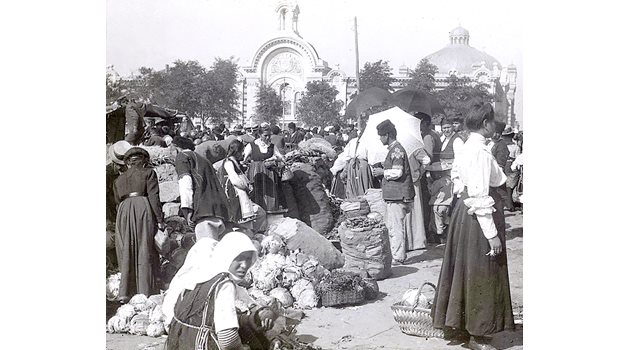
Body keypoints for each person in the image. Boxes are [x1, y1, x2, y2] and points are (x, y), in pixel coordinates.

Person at [432, 103, 514, 350]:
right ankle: (479, 335)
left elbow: (457, 179)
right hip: (477, 218)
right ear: (486, 122)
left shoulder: (467, 147)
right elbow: (479, 192)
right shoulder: (479, 150)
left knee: (464, 270)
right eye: (492, 122)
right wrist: (491, 234)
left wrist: (466, 200)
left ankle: (461, 328)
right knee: (482, 272)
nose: (494, 126)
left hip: (464, 213)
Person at [166, 232, 276, 350]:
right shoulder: (224, 285)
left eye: (248, 259)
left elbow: (208, 316)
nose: (244, 265)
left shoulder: (198, 276)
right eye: (238, 258)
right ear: (226, 257)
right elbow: (227, 339)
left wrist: (249, 320)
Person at [113, 147, 164, 303]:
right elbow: (154, 197)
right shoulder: (148, 173)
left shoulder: (118, 180)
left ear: (128, 162)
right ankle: (144, 290)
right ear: (144, 160)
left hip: (123, 211)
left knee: (126, 248)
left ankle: (125, 292)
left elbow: (116, 201)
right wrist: (160, 219)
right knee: (144, 246)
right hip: (142, 206)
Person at [173, 136, 230, 241]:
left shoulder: (182, 157)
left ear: (176, 146)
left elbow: (186, 183)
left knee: (206, 248)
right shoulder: (204, 159)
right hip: (218, 209)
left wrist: (187, 209)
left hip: (202, 211)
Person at [377, 119, 415, 265]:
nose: (380, 139)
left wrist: (383, 171)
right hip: (396, 195)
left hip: (398, 196)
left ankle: (398, 256)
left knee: (396, 227)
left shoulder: (397, 150)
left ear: (387, 135)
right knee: (394, 226)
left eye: (381, 136)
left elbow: (398, 172)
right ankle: (397, 254)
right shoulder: (395, 150)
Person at [244, 123, 287, 214]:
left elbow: (280, 157)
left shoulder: (272, 146)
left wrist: (275, 158)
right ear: (259, 135)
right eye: (265, 136)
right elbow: (243, 159)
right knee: (257, 191)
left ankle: (270, 212)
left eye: (269, 136)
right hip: (256, 173)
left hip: (270, 174)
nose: (267, 138)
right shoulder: (251, 145)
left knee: (270, 192)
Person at [217, 140, 257, 227]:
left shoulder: (234, 161)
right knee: (237, 213)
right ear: (236, 152)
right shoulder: (228, 162)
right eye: (241, 151)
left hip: (238, 190)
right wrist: (246, 187)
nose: (243, 154)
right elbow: (235, 180)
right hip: (234, 191)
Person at [329, 123, 373, 199]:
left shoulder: (352, 141)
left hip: (352, 166)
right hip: (362, 167)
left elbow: (345, 156)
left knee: (353, 188)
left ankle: (354, 203)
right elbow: (372, 159)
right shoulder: (368, 142)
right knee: (364, 188)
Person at [426, 162, 454, 244]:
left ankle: (439, 238)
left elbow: (432, 191)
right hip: (447, 204)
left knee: (437, 222)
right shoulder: (450, 180)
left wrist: (429, 183)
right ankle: (446, 236)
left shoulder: (438, 182)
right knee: (444, 220)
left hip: (437, 204)